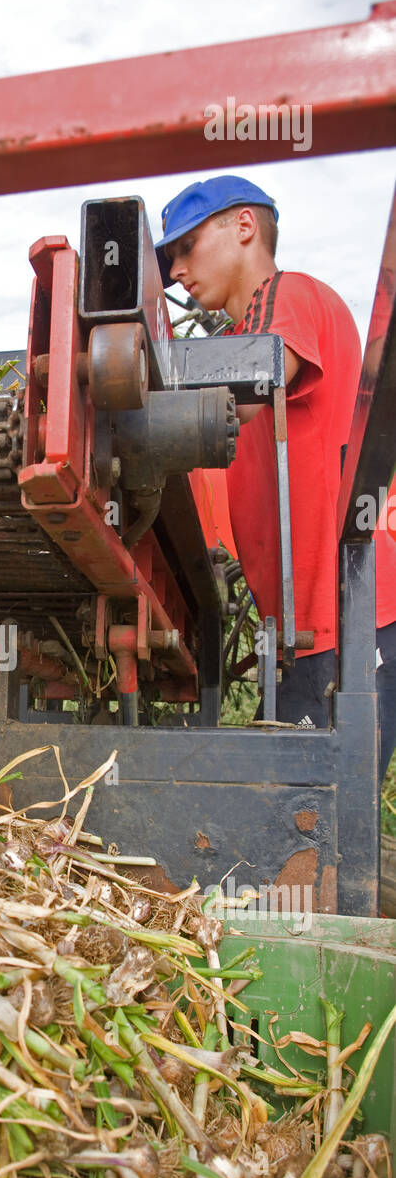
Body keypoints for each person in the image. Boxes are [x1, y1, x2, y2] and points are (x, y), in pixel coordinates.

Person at [155, 175, 396, 781]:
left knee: (310, 825)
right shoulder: (239, 334)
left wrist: (127, 372)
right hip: (313, 628)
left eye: (185, 247)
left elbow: (263, 370)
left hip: (343, 619)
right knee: (297, 823)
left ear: (244, 227)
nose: (177, 269)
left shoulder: (284, 296)